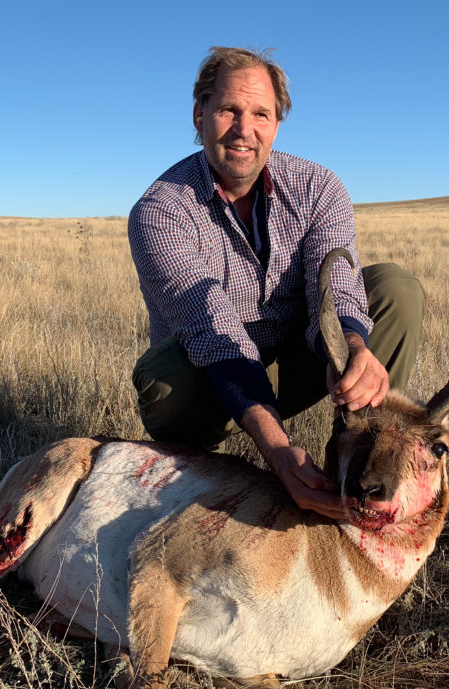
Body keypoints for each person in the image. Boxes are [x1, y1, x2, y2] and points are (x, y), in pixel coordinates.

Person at [128, 46, 425, 520]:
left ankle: (359, 457)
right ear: (199, 115)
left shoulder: (318, 187)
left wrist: (352, 347)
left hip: (299, 359)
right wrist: (278, 452)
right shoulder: (161, 211)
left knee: (394, 289)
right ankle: (201, 481)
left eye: (260, 113)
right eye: (228, 110)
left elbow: (337, 284)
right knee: (166, 382)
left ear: (277, 124)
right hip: (211, 378)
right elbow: (214, 336)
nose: (244, 129)